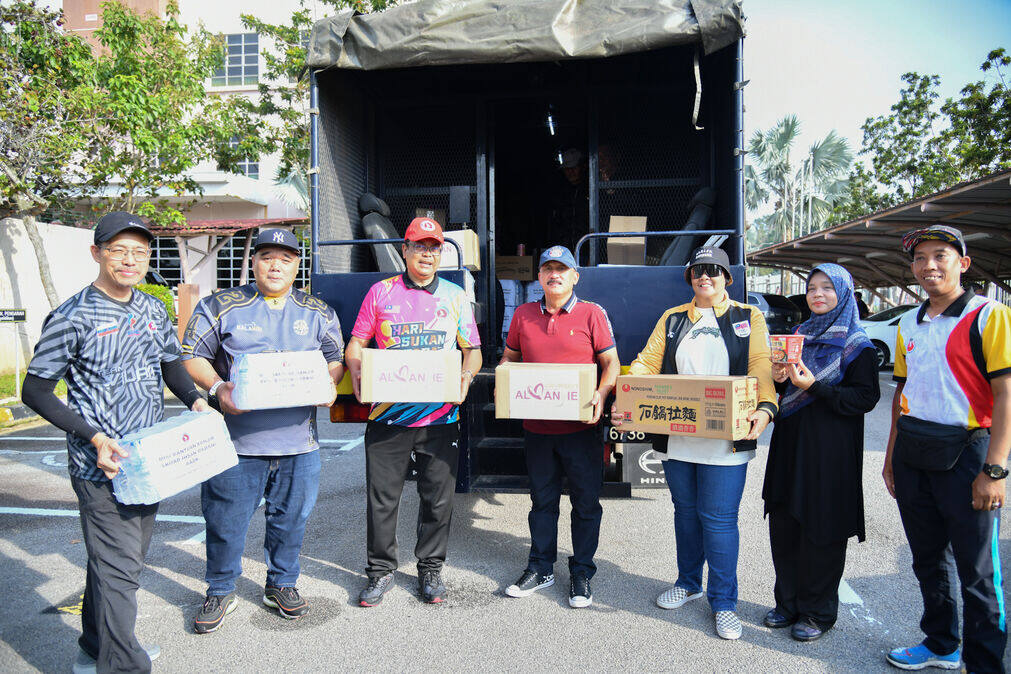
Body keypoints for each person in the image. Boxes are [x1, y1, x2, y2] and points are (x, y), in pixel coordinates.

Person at [21, 211, 210, 673]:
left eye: (140, 252)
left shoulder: (152, 308)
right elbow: (35, 390)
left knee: (116, 563)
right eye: (118, 250)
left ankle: (94, 645)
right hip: (100, 465)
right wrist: (94, 437)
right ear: (97, 253)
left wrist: (194, 399)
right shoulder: (72, 316)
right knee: (120, 567)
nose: (130, 260)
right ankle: (123, 663)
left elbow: (170, 364)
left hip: (148, 459)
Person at [181, 228, 345, 633]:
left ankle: (282, 584)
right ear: (253, 261)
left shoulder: (318, 311)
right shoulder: (220, 306)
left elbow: (335, 358)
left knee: (291, 519)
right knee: (224, 521)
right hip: (235, 444)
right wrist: (218, 388)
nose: (275, 265)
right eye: (267, 256)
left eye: (285, 259)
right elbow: (191, 355)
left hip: (299, 443)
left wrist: (329, 383)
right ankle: (220, 589)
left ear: (297, 265)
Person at [613, 245, 776, 640]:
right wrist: (629, 395)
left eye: (713, 270)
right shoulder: (672, 318)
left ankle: (724, 602)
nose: (705, 277)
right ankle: (688, 583)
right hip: (678, 435)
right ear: (689, 277)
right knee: (685, 513)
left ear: (727, 278)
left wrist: (766, 407)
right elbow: (647, 362)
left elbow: (760, 365)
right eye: (698, 270)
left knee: (718, 520)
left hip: (726, 439)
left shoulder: (747, 316)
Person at [882, 224, 1010, 673]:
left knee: (978, 573)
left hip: (968, 454)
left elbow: (1006, 395)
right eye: (920, 258)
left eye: (940, 255)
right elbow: (902, 395)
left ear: (964, 263)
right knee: (928, 559)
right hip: (913, 452)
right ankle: (941, 643)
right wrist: (890, 459)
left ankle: (985, 665)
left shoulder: (988, 315)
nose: (928, 265)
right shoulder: (908, 322)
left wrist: (994, 470)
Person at [345, 216, 483, 606]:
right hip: (387, 416)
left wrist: (466, 376)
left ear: (441, 254)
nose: (426, 254)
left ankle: (430, 569)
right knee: (382, 499)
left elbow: (472, 351)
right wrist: (356, 370)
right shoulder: (381, 292)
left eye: (434, 248)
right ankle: (380, 571)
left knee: (438, 499)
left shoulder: (454, 296)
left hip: (440, 418)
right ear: (404, 250)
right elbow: (356, 343)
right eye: (419, 246)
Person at [762, 263, 880, 642]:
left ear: (843, 294)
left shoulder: (857, 345)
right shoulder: (798, 336)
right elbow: (782, 392)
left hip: (831, 454)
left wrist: (814, 386)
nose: (818, 294)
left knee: (822, 529)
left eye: (827, 288)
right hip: (790, 446)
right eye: (812, 287)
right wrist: (779, 380)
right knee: (785, 525)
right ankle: (787, 603)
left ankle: (817, 612)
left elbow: (865, 397)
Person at [500, 245, 620, 608]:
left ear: (575, 276)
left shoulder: (591, 313)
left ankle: (581, 572)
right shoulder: (523, 315)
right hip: (537, 429)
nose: (555, 274)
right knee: (542, 502)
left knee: (586, 503)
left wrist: (601, 393)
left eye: (562, 269)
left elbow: (611, 363)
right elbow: (510, 357)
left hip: (581, 429)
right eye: (548, 268)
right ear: (539, 276)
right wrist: (505, 377)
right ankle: (540, 567)